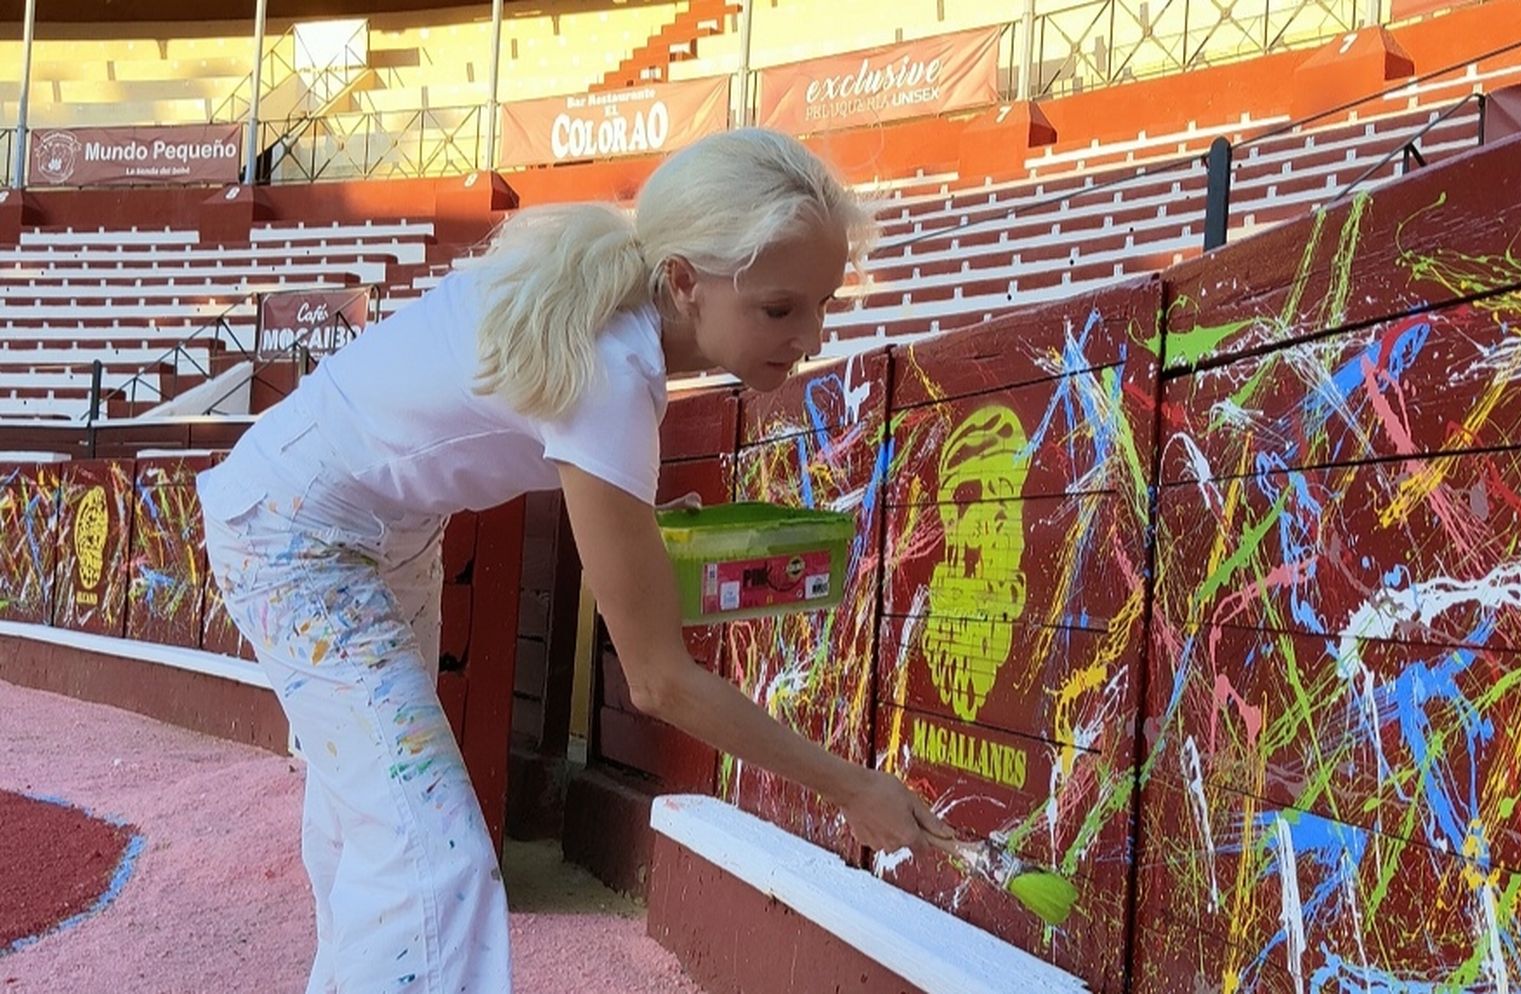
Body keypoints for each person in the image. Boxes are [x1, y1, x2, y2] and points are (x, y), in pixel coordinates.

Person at [197, 127, 957, 994]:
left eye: (821, 304)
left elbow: (502, 421)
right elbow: (659, 682)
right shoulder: (612, 367)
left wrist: (631, 520)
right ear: (683, 280)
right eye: (781, 309)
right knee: (427, 853)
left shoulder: (611, 307)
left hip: (363, 527)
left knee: (381, 831)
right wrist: (849, 786)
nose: (810, 335)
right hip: (298, 537)